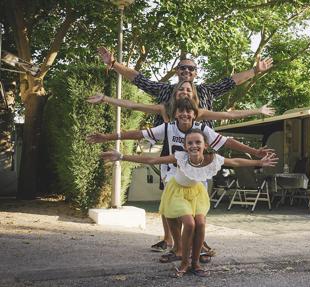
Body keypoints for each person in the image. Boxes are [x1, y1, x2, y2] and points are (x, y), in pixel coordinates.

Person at [86, 98, 274, 259]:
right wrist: (108, 138)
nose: (184, 114)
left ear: (195, 114)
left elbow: (228, 144)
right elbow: (138, 134)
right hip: (172, 172)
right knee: (173, 213)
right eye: (181, 110)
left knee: (197, 218)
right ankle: (178, 247)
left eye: (188, 111)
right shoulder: (167, 127)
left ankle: (194, 248)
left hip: (196, 175)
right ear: (175, 114)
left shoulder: (203, 130)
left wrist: (255, 153)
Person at [100, 128, 278, 278]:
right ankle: (184, 263)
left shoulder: (212, 159)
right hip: (177, 192)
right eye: (190, 143)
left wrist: (258, 162)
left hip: (196, 193)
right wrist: (122, 156)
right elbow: (152, 160)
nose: (194, 146)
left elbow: (236, 162)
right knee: (189, 223)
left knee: (200, 224)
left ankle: (196, 264)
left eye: (197, 142)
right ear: (185, 146)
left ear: (205, 145)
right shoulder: (181, 157)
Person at [97, 47, 273, 127]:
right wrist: (113, 64)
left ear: (195, 73)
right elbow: (138, 79)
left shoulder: (206, 91)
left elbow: (232, 82)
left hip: (200, 142)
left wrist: (254, 71)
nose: (187, 70)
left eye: (191, 68)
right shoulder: (164, 90)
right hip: (171, 141)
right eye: (183, 67)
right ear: (177, 71)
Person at [86, 81, 274, 123]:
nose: (184, 91)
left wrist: (257, 110)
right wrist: (106, 99)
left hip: (193, 158)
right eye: (181, 89)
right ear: (175, 93)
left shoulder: (199, 113)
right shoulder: (164, 109)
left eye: (188, 90)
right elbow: (133, 105)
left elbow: (229, 114)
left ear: (193, 95)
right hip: (170, 158)